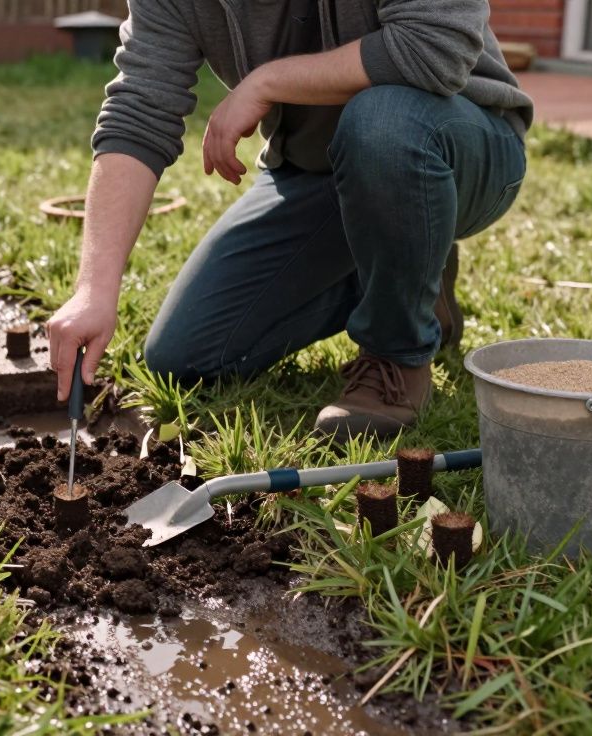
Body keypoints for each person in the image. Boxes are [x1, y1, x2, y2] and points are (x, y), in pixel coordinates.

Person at [47, 0, 532, 440]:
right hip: (314, 167)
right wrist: (94, 288)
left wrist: (267, 81)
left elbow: (433, 47)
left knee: (382, 122)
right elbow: (139, 110)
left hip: (457, 144)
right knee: (185, 356)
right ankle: (412, 269)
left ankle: (396, 357)